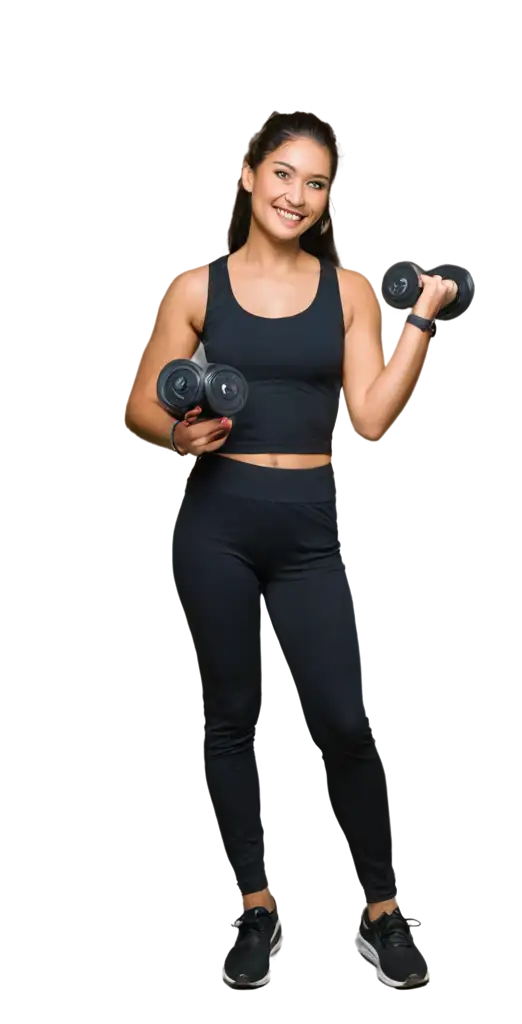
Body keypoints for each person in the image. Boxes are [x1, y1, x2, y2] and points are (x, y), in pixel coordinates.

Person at [121, 104, 456, 990]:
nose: (296, 195)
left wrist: (418, 319)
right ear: (247, 175)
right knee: (234, 713)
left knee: (345, 721)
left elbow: (372, 417)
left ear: (328, 197)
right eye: (282, 174)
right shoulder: (197, 286)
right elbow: (138, 405)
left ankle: (382, 915)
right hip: (217, 525)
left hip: (308, 524)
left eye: (314, 182)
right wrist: (177, 437)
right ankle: (257, 905)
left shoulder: (347, 290)